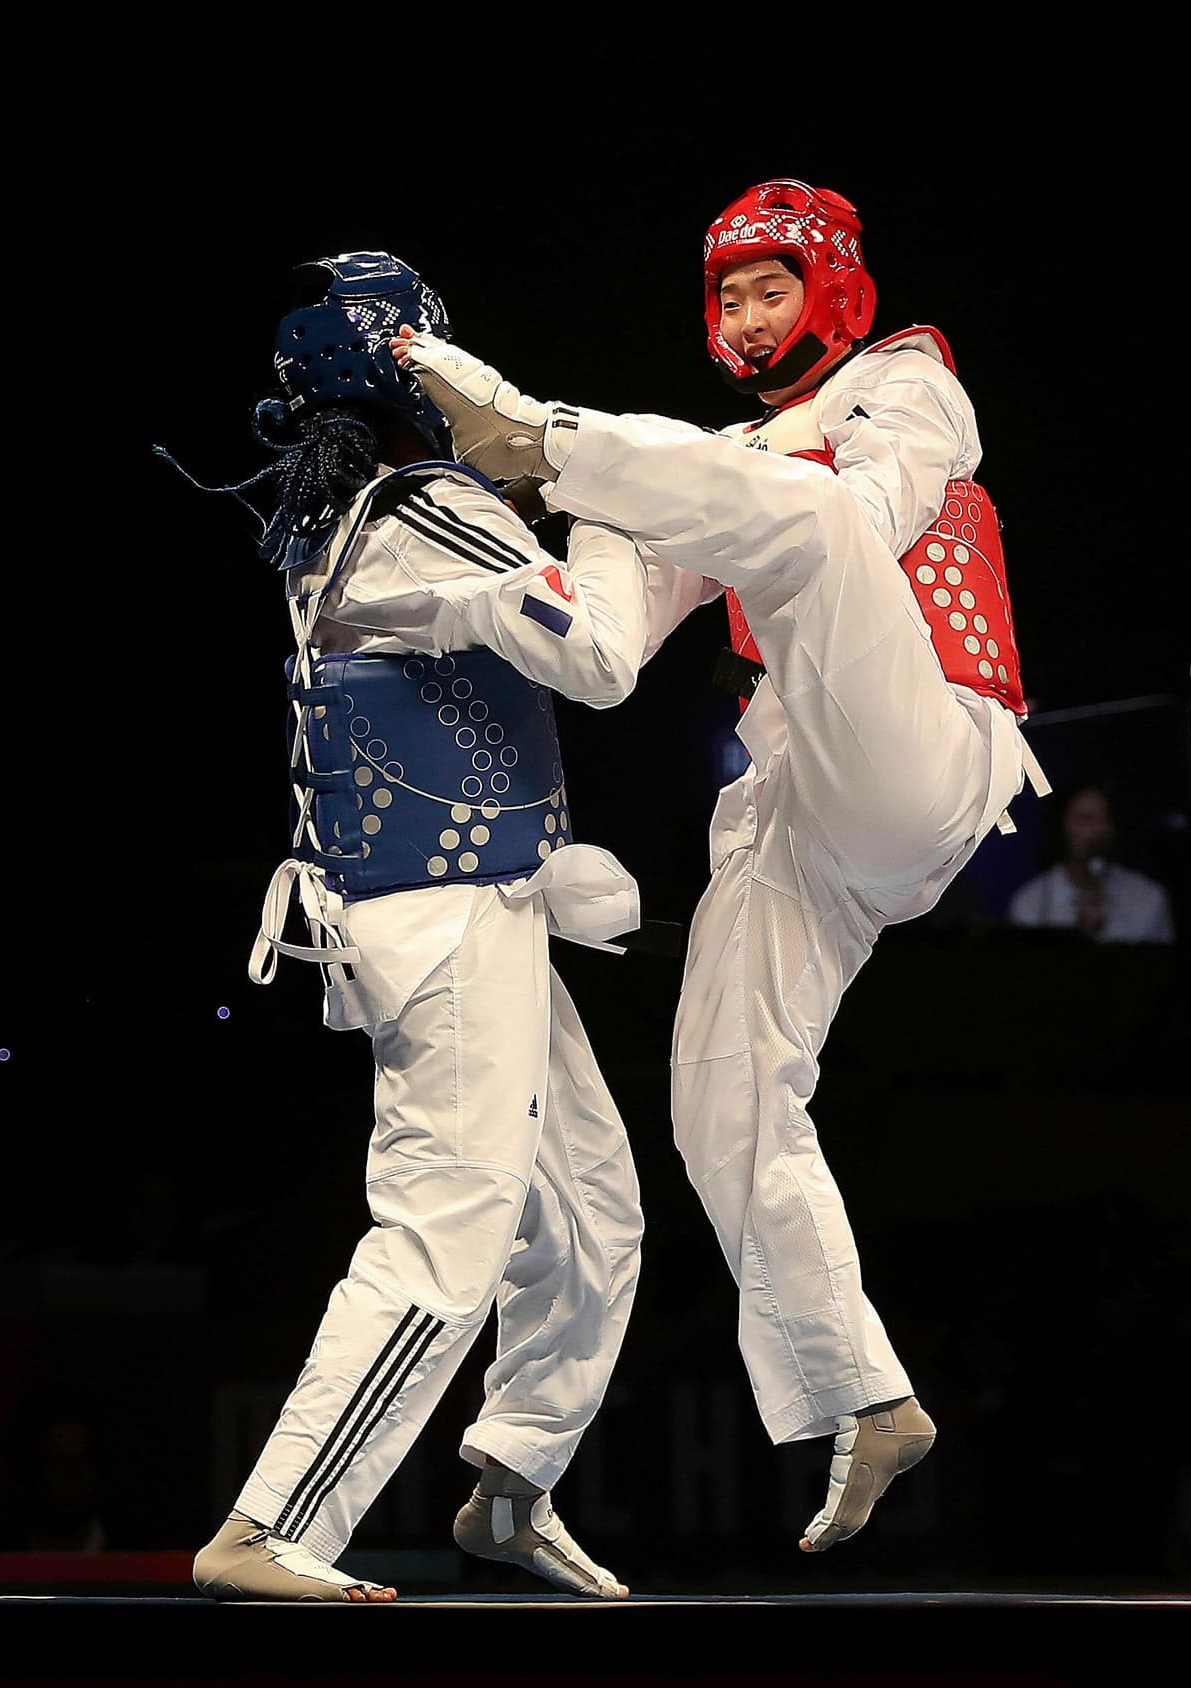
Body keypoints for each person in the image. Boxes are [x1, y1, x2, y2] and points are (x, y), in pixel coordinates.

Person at [392, 178, 1051, 1556]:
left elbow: (856, 522)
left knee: (780, 522)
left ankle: (540, 432)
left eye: (771, 289)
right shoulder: (717, 463)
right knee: (723, 1093)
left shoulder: (905, 379)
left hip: (925, 746)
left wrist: (585, 454)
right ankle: (862, 1394)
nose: (749, 318)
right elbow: (627, 611)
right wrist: (473, 593)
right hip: (798, 791)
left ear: (833, 290)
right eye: (729, 299)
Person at [175, 251, 665, 1602]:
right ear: (415, 361)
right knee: (448, 1222)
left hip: (466, 907)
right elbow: (601, 659)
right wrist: (623, 508)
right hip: (443, 929)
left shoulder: (356, 512)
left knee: (587, 1213)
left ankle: (511, 1483)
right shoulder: (428, 506)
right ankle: (270, 1529)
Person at [1008, 783, 1174, 942]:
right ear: (1061, 827)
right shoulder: (1030, 905)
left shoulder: (1148, 898)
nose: (1099, 830)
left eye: (1105, 818)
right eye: (1086, 820)